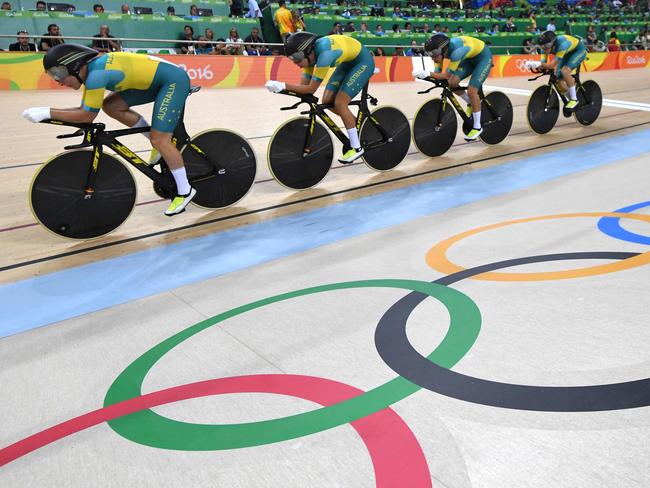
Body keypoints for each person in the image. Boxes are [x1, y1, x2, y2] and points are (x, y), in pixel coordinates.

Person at [23, 44, 195, 215]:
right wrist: (46, 112)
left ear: (73, 65)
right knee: (111, 105)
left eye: (58, 73)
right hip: (154, 81)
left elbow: (86, 116)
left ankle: (185, 190)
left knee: (160, 140)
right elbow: (84, 109)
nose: (58, 80)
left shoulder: (96, 75)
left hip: (173, 81)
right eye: (53, 75)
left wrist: (48, 112)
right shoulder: (93, 71)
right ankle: (156, 141)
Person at [265, 32, 375, 164]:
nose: (296, 63)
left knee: (340, 103)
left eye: (298, 59)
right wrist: (281, 89)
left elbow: (311, 89)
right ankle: (356, 124)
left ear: (307, 52)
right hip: (347, 64)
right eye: (293, 60)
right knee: (327, 101)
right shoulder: (311, 57)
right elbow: (303, 88)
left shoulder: (324, 56)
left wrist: (282, 85)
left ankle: (357, 148)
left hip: (363, 62)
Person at [413, 33, 493, 141]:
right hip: (468, 59)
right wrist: (427, 75)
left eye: (434, 54)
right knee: (452, 83)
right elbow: (438, 74)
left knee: (472, 90)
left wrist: (428, 73)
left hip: (483, 58)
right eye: (430, 54)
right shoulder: (440, 53)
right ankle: (471, 103)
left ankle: (477, 127)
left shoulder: (456, 53)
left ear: (443, 49)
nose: (433, 57)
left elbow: (446, 75)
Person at [527, 31, 586, 111]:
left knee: (565, 71)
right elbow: (543, 64)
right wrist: (535, 65)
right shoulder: (544, 48)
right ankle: (571, 99)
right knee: (557, 79)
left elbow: (551, 65)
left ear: (553, 43)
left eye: (547, 46)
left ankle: (574, 99)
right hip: (565, 54)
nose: (544, 48)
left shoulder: (563, 44)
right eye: (542, 46)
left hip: (578, 51)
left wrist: (538, 63)